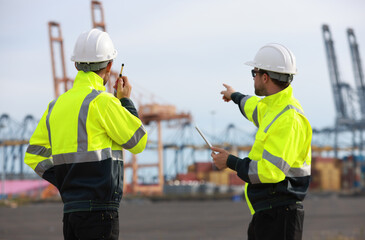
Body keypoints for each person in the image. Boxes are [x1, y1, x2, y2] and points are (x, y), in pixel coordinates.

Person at [24, 29, 147, 240]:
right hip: (100, 214)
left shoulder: (56, 106)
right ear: (109, 66)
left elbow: (33, 155)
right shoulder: (104, 102)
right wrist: (125, 101)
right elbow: (138, 141)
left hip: (71, 213)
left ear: (75, 65)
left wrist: (65, 181)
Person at [211, 43, 312, 240]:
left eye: (254, 73)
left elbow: (270, 171)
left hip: (280, 216)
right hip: (268, 213)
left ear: (265, 77)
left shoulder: (288, 118)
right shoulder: (274, 107)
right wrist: (234, 96)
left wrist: (230, 162)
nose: (253, 77)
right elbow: (252, 107)